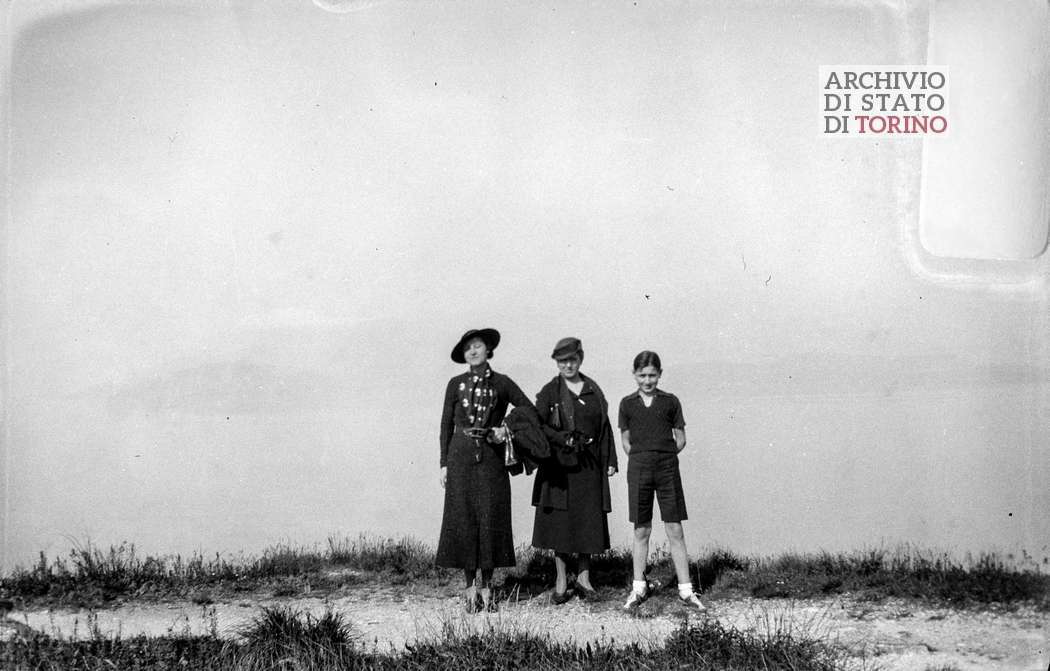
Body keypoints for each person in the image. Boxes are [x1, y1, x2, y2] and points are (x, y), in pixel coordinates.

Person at [436, 328, 535, 613]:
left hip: (491, 458)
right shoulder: (455, 384)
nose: (473, 351)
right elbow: (445, 425)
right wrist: (444, 463)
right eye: (468, 348)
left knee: (490, 517)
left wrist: (506, 428)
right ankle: (469, 588)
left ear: (488, 349)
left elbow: (528, 409)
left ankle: (488, 587)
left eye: (477, 346)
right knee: (464, 518)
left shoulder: (502, 383)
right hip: (460, 457)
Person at [618, 350, 706, 611]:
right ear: (634, 375)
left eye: (652, 375)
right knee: (641, 529)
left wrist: (663, 455)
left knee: (674, 528)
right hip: (639, 469)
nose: (647, 380)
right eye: (642, 375)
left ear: (660, 375)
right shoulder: (627, 404)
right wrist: (641, 457)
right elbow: (625, 440)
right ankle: (638, 588)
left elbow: (681, 438)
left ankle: (686, 590)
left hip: (667, 469)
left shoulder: (670, 401)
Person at [532, 337, 618, 603]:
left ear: (580, 358)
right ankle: (560, 579)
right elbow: (538, 425)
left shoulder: (593, 389)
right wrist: (562, 439)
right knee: (560, 523)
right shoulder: (550, 391)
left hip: (589, 465)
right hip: (559, 467)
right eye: (562, 361)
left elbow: (604, 427)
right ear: (556, 363)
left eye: (572, 360)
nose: (567, 365)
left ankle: (583, 577)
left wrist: (611, 459)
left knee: (587, 520)